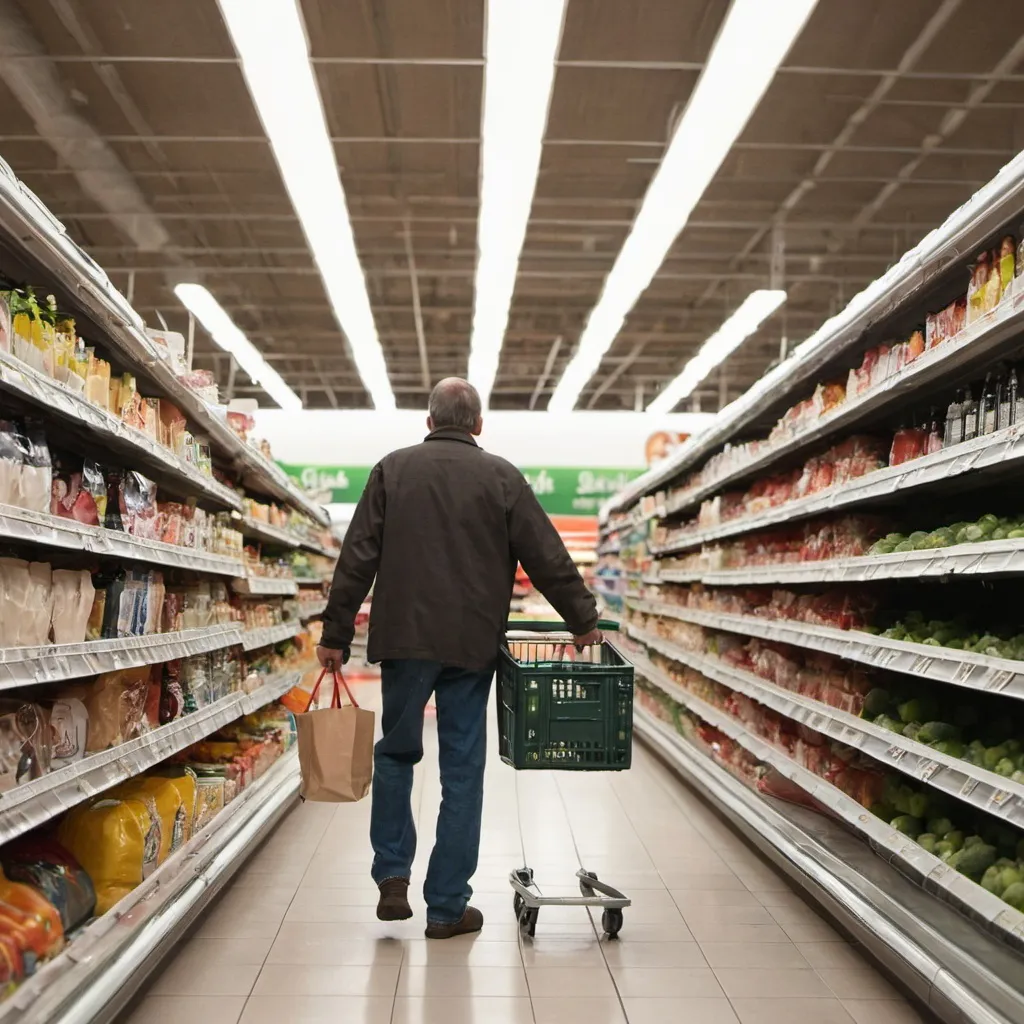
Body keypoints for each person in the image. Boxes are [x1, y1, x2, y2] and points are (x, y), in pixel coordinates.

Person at [316, 377, 600, 939]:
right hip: (471, 646)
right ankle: (447, 906)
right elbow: (546, 554)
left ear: (429, 422)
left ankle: (393, 874)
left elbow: (358, 557)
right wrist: (582, 617)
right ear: (478, 425)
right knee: (463, 773)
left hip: (403, 642)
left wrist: (335, 630)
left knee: (397, 755)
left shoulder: (391, 470)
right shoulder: (502, 477)